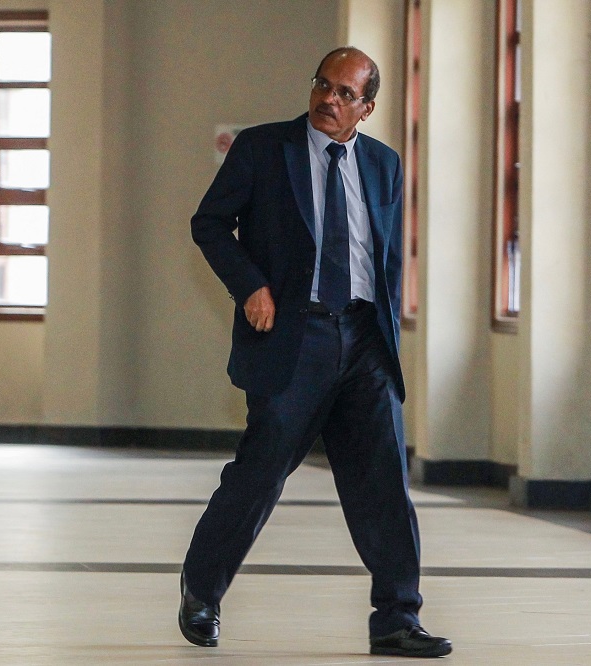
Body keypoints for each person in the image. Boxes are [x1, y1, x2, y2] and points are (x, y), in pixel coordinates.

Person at [181, 46, 451, 659]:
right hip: (293, 339)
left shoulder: (384, 165)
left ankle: (396, 619)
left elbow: (383, 260)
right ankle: (202, 590)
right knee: (261, 472)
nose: (329, 99)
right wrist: (251, 284)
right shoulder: (261, 149)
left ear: (367, 108)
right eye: (323, 85)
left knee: (384, 483)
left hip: (363, 341)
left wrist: (385, 339)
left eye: (345, 93)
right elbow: (210, 223)